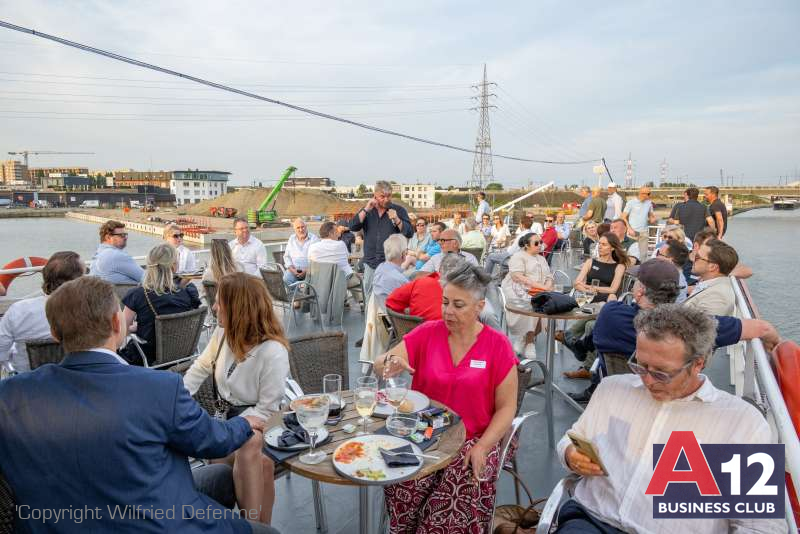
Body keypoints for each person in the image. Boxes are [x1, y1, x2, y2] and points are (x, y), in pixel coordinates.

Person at [0, 276, 273, 533]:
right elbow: (213, 441)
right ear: (116, 325)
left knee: (221, 478)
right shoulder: (157, 388)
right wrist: (243, 422)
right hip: (155, 523)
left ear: (55, 334)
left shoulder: (9, 396)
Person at [556, 304, 784, 534]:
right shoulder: (612, 389)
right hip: (591, 519)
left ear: (698, 363)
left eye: (661, 373)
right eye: (640, 365)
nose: (648, 380)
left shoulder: (742, 422)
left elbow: (760, 526)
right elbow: (571, 439)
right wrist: (570, 455)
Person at [375, 261, 518, 534]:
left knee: (453, 492)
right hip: (424, 434)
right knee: (401, 477)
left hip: (474, 438)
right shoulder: (428, 333)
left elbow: (507, 407)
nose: (448, 311)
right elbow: (381, 362)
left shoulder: (497, 346)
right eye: (445, 302)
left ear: (479, 307)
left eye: (458, 305)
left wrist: (483, 447)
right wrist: (390, 362)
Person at [184, 272, 290, 525]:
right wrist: (172, 399)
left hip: (265, 423)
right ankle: (259, 527)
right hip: (225, 421)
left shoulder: (273, 351)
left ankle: (250, 526)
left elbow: (266, 409)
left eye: (220, 301)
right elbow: (199, 369)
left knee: (250, 443)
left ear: (238, 308)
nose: (214, 306)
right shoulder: (222, 336)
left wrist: (229, 430)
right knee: (261, 465)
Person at [0, 251, 84, 374]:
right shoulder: (88, 312)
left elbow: (1, 351)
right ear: (77, 281)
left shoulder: (18, 311)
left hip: (27, 385)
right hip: (74, 383)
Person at [561, 234, 629, 381]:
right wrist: (587, 288)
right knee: (592, 324)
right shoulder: (590, 262)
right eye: (600, 243)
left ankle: (569, 338)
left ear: (612, 247)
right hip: (588, 300)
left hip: (606, 302)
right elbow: (576, 282)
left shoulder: (619, 266)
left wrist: (589, 287)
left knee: (592, 324)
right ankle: (584, 362)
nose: (600, 246)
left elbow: (613, 289)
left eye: (604, 244)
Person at [120, 244, 201, 366]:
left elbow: (121, 330)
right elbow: (179, 324)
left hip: (147, 359)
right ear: (173, 266)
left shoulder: (138, 294)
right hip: (182, 356)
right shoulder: (188, 292)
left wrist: (136, 328)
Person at [349, 180, 413, 297]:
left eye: (389, 196)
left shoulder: (399, 210)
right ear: (375, 196)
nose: (386, 199)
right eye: (382, 197)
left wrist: (397, 220)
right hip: (371, 263)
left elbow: (409, 232)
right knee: (369, 297)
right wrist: (366, 209)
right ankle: (369, 315)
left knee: (390, 298)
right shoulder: (367, 211)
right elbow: (353, 226)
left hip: (390, 264)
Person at [501, 233, 554, 358]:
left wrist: (548, 285)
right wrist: (542, 288)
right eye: (536, 243)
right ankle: (530, 342)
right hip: (517, 289)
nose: (540, 245)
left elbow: (549, 275)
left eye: (540, 242)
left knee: (547, 303)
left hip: (538, 289)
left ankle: (523, 338)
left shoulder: (541, 258)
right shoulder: (518, 257)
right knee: (533, 304)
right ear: (526, 245)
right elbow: (518, 277)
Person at [308, 221, 362, 300]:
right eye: (336, 231)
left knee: (349, 273)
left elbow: (310, 262)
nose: (339, 233)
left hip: (321, 282)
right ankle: (360, 301)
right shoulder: (341, 244)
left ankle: (343, 299)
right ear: (331, 233)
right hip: (341, 281)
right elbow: (347, 256)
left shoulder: (312, 247)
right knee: (354, 276)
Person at [684, 238, 738, 315]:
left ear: (712, 266)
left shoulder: (718, 296)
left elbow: (702, 326)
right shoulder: (708, 285)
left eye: (697, 257)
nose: (693, 260)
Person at [90, 220, 144, 284]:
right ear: (108, 237)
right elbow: (147, 279)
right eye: (122, 235)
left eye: (126, 235)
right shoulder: (116, 256)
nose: (126, 238)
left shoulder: (97, 256)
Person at [621, 186, 657, 257]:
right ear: (642, 194)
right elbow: (623, 217)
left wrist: (652, 219)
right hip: (632, 233)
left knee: (643, 255)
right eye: (648, 194)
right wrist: (629, 229)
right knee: (630, 254)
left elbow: (651, 216)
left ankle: (642, 268)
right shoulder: (631, 203)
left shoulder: (649, 203)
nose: (650, 195)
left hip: (644, 233)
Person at [282, 218, 319, 285]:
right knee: (286, 279)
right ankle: (297, 294)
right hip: (294, 270)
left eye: (302, 227)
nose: (301, 230)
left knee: (310, 284)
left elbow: (317, 260)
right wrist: (292, 270)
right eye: (298, 228)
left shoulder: (314, 239)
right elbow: (286, 256)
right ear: (294, 229)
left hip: (310, 271)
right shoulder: (291, 238)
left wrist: (306, 271)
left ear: (306, 227)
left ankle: (300, 293)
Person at [372, 234, 409, 299]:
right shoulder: (401, 280)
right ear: (403, 254)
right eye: (406, 250)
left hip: (379, 307)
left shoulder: (379, 268)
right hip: (394, 307)